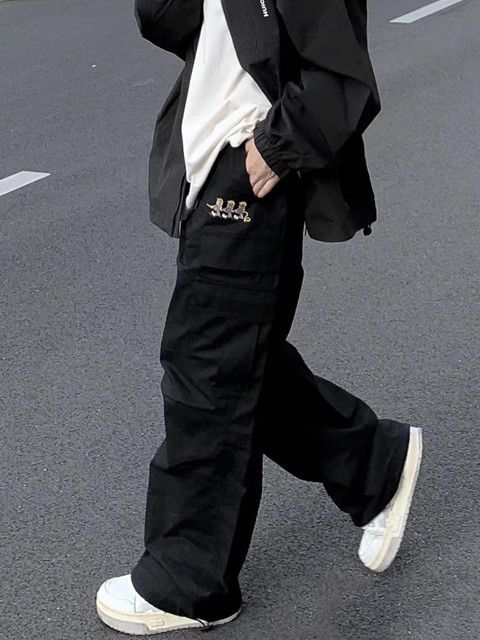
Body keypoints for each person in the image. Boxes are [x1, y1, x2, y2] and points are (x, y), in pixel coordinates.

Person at [96, 0, 423, 634]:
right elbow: (170, 20)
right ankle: (375, 464)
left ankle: (188, 581)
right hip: (212, 164)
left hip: (250, 167)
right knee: (239, 362)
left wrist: (275, 147)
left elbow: (343, 69)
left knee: (206, 371)